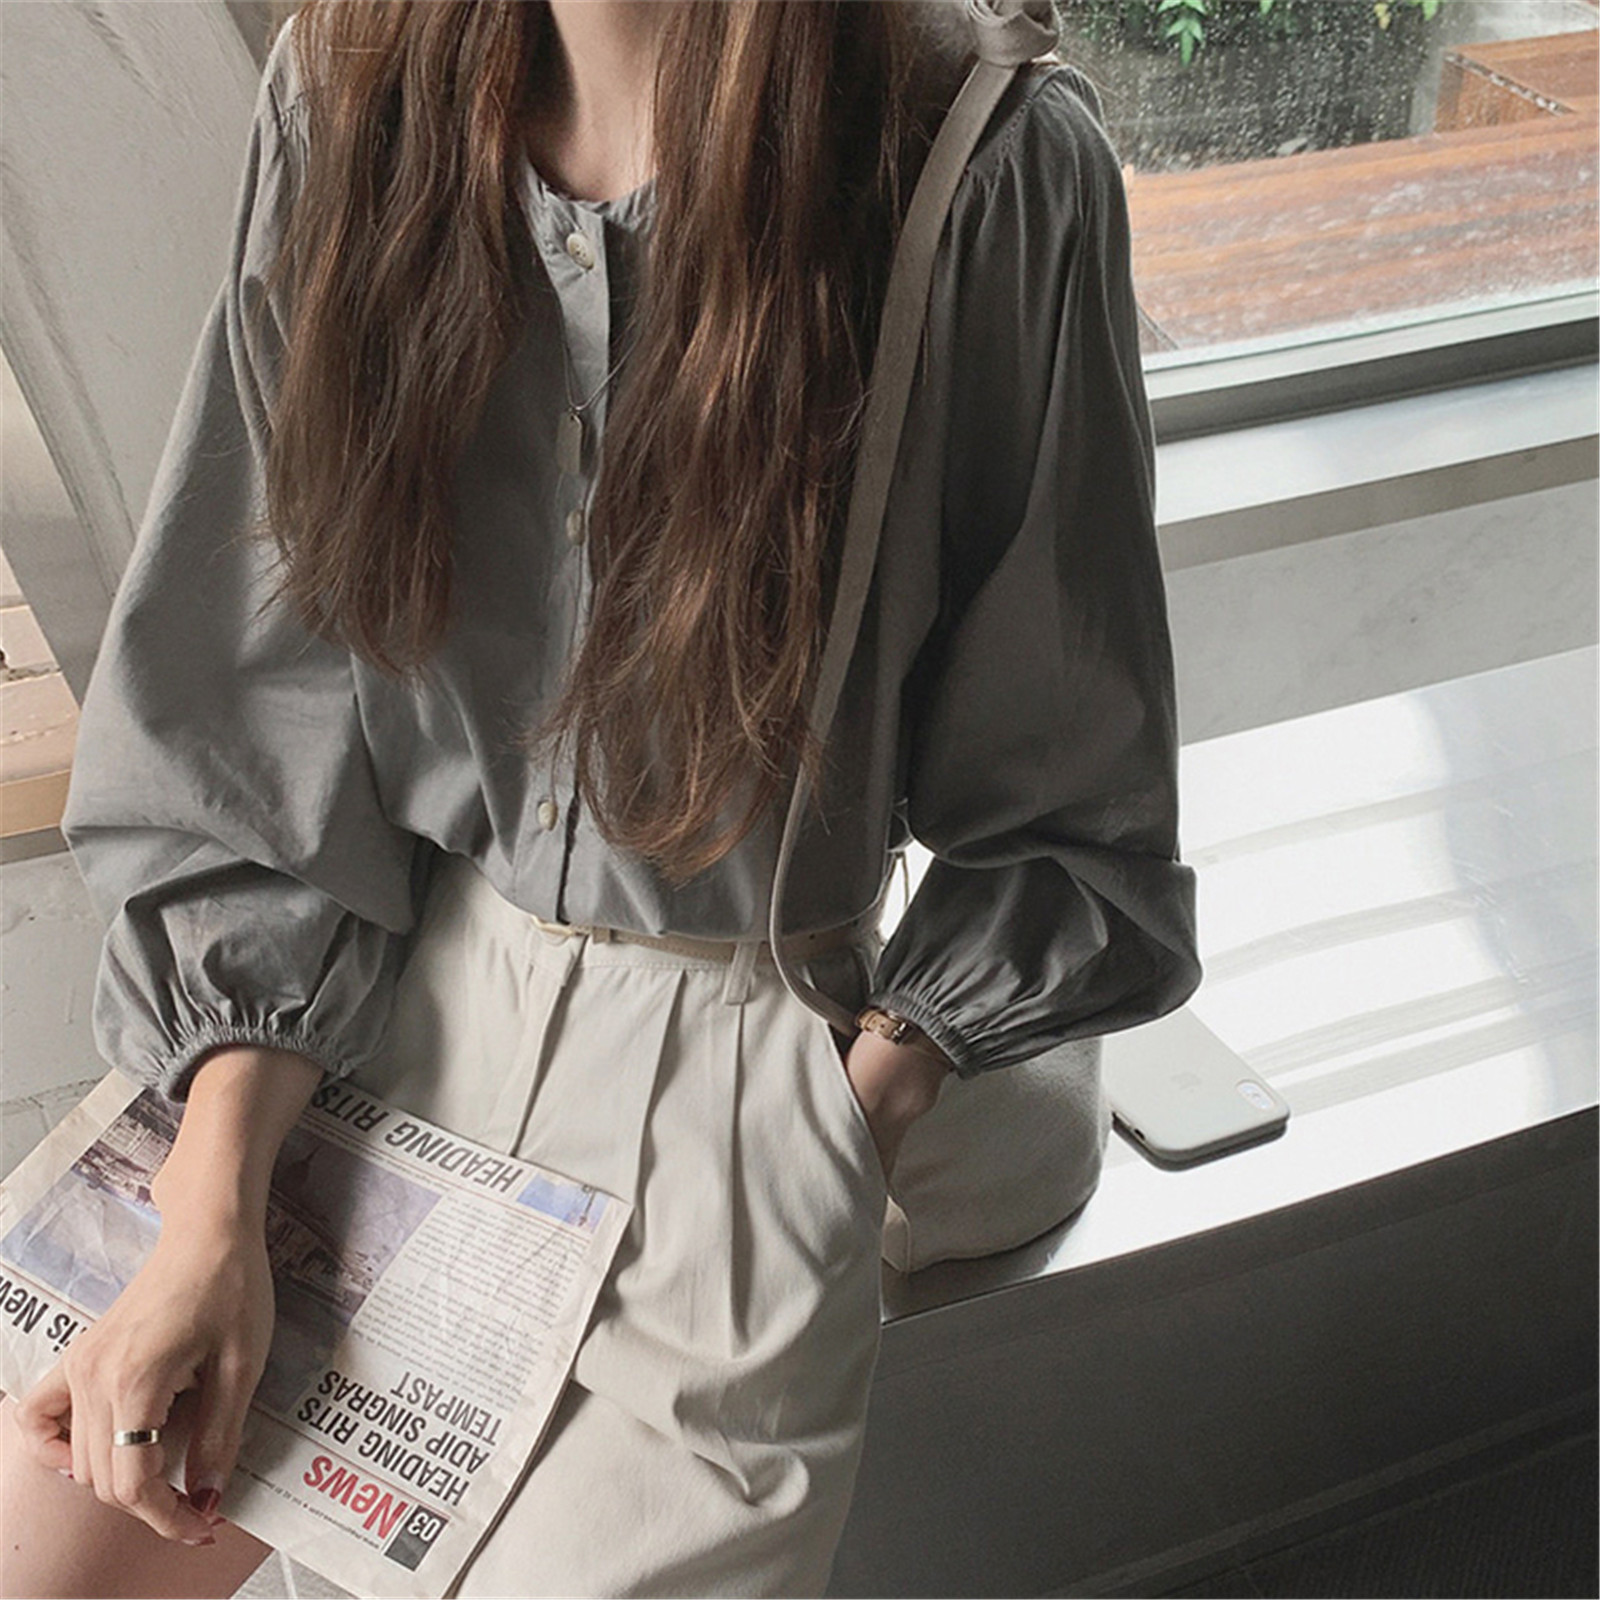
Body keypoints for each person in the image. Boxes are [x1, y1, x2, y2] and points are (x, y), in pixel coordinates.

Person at [1, 0, 1201, 1595]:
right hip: (391, 974)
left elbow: (1066, 791)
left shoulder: (979, 153)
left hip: (757, 1032)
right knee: (49, 1553)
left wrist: (853, 1106)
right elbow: (260, 693)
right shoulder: (352, 86)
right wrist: (209, 1200)